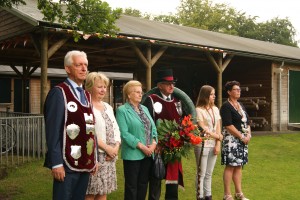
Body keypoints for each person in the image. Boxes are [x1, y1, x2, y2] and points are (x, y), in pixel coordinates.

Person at [44, 50, 98, 200]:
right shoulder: (59, 92)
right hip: (66, 163)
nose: (83, 68)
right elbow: (53, 131)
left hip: (85, 162)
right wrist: (56, 163)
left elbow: (91, 128)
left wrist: (94, 158)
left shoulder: (87, 95)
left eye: (85, 65)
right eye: (78, 65)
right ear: (67, 68)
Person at [143, 69, 184, 200]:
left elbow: (182, 122)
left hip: (174, 147)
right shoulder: (151, 100)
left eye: (173, 83)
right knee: (156, 178)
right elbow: (146, 125)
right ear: (159, 85)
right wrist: (155, 143)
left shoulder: (178, 101)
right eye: (168, 83)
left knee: (172, 182)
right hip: (157, 147)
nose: (172, 86)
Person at [116, 80, 158, 200]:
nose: (141, 94)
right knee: (131, 187)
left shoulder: (144, 108)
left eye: (141, 92)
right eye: (137, 92)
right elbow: (124, 133)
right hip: (133, 154)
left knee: (143, 184)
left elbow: (153, 127)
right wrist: (142, 147)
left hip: (148, 154)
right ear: (129, 94)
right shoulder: (122, 110)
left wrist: (154, 144)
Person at [84, 72, 121, 200]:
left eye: (105, 87)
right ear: (89, 87)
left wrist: (115, 147)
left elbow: (116, 129)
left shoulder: (108, 107)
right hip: (95, 156)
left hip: (110, 157)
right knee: (90, 193)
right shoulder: (86, 107)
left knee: (103, 192)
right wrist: (107, 148)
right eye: (99, 86)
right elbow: (89, 132)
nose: (103, 90)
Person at [220, 81, 251, 200]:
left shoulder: (241, 105)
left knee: (238, 166)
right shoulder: (226, 106)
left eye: (239, 89)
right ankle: (227, 195)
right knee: (230, 166)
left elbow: (247, 122)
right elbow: (228, 125)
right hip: (231, 141)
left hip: (242, 141)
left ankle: (239, 193)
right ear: (229, 92)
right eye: (236, 89)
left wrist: (248, 135)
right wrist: (241, 136)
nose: (239, 91)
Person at [194, 85, 223, 200]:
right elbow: (203, 128)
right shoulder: (198, 110)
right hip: (202, 144)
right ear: (205, 95)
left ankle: (208, 196)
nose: (214, 96)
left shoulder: (215, 109)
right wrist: (219, 136)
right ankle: (199, 196)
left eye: (214, 94)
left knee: (209, 173)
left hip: (214, 144)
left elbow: (218, 126)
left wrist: (218, 144)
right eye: (211, 94)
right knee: (201, 173)